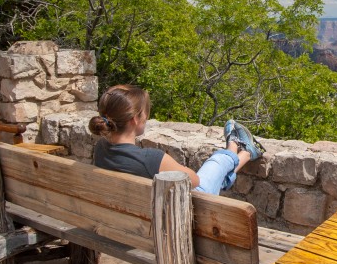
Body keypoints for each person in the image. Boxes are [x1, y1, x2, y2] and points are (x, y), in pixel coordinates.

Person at [88, 84, 264, 195]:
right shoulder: (151, 159)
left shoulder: (101, 148)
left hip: (124, 228)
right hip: (167, 233)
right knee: (211, 172)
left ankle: (242, 152)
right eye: (145, 113)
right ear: (134, 119)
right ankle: (238, 149)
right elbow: (195, 181)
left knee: (214, 179)